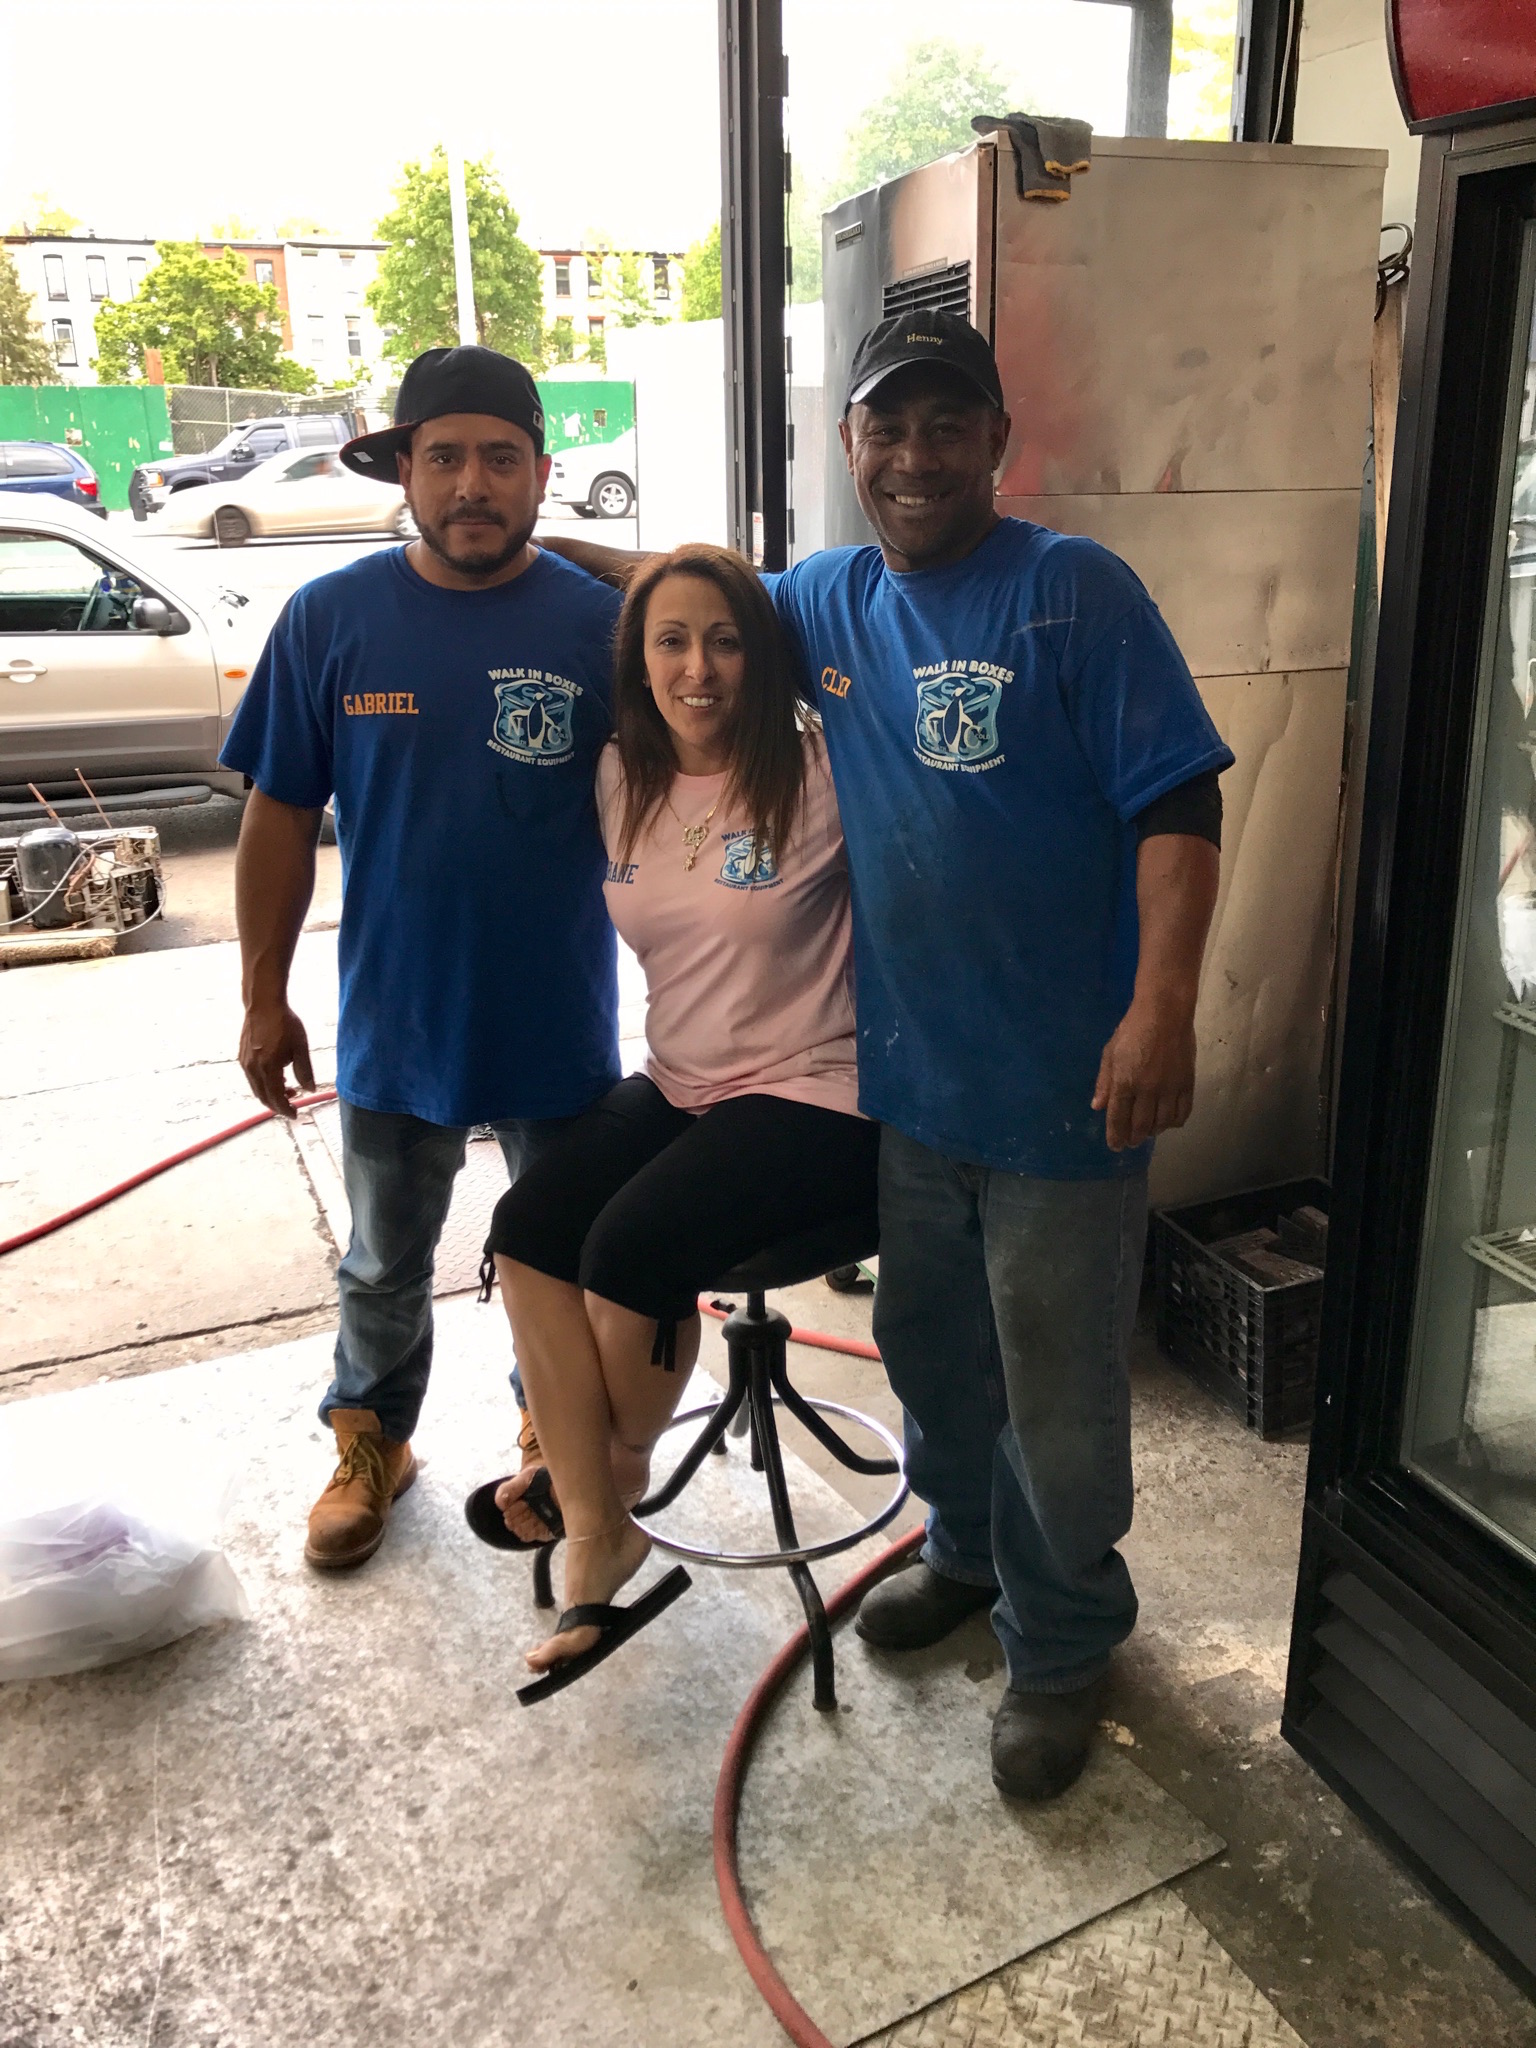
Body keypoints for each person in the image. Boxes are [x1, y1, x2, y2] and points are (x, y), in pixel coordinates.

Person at [543, 311, 1233, 1799]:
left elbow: (1180, 803)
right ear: (849, 444)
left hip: (1067, 1089)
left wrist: (1162, 1009)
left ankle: (1063, 1641)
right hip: (909, 1087)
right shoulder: (834, 599)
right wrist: (534, 546)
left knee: (1058, 1396)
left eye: (945, 424)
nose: (914, 455)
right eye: (887, 427)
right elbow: (690, 594)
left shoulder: (1072, 593)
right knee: (932, 1354)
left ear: (997, 441)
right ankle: (966, 1552)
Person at [222, 345, 623, 1571]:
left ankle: (552, 1432)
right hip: (398, 1016)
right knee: (383, 1257)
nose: (471, 484)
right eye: (444, 457)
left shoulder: (601, 623)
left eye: (501, 458)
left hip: (559, 1017)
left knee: (560, 1254)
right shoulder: (330, 619)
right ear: (404, 470)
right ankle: (372, 1440)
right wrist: (261, 996)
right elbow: (278, 813)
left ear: (543, 473)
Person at [467, 544, 880, 1694]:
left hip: (815, 1084)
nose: (698, 667)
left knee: (629, 1247)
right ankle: (601, 1514)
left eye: (726, 640)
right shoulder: (622, 775)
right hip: (681, 1077)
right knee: (527, 1229)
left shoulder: (825, 772)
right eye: (672, 641)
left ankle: (605, 1485)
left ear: (764, 655)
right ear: (639, 662)